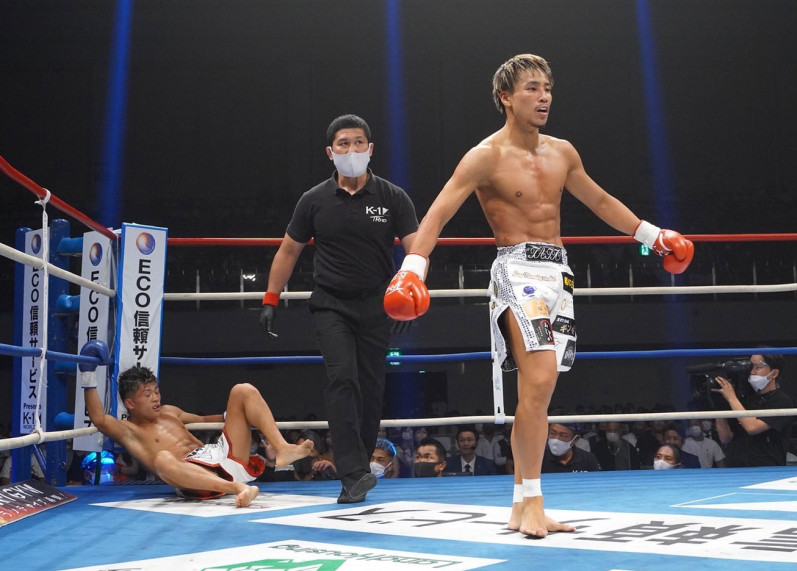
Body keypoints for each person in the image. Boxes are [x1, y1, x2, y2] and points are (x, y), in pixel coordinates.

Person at [383, 53, 693, 537]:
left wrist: (655, 236)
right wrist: (412, 269)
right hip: (516, 270)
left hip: (559, 275)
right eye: (532, 88)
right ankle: (533, 502)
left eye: (547, 87)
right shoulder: (485, 156)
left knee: (538, 392)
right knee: (541, 379)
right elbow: (438, 214)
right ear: (506, 97)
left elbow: (600, 200)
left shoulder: (563, 152)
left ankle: (522, 504)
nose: (544, 96)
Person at [260, 114, 419, 503]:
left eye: (358, 142)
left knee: (371, 388)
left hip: (379, 304)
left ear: (371, 148)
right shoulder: (313, 200)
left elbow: (416, 250)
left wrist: (410, 298)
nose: (352, 149)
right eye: (343, 143)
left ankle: (358, 471)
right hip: (331, 304)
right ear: (330, 152)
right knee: (342, 379)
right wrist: (270, 298)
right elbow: (289, 251)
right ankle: (351, 472)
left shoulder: (393, 197)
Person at [79, 340, 314, 507]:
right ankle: (238, 489)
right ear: (130, 403)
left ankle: (282, 449)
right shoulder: (130, 431)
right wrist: (88, 374)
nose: (156, 398)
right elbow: (99, 419)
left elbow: (203, 420)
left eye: (156, 391)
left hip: (220, 458)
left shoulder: (170, 411)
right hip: (196, 479)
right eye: (147, 394)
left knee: (242, 390)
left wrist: (238, 414)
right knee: (162, 460)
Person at [712, 351, 796, 467]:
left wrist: (731, 398)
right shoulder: (742, 399)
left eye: (758, 367)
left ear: (774, 373)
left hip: (766, 469)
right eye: (751, 367)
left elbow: (752, 428)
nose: (752, 372)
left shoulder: (781, 401)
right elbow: (725, 438)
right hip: (735, 468)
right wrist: (719, 404)